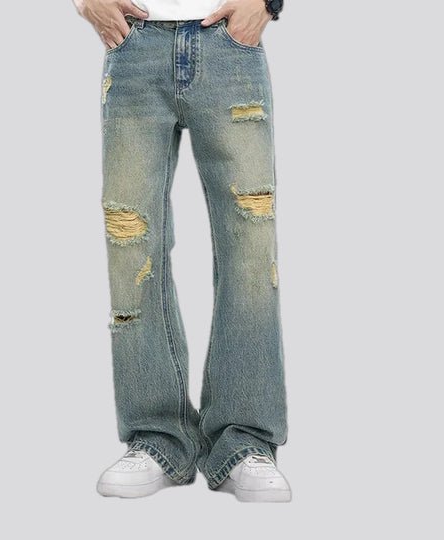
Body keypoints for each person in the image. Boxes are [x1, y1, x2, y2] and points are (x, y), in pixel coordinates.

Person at [73, 0, 291, 503]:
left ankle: (245, 439)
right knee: (131, 244)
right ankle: (157, 437)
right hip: (133, 44)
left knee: (250, 249)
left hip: (230, 45)